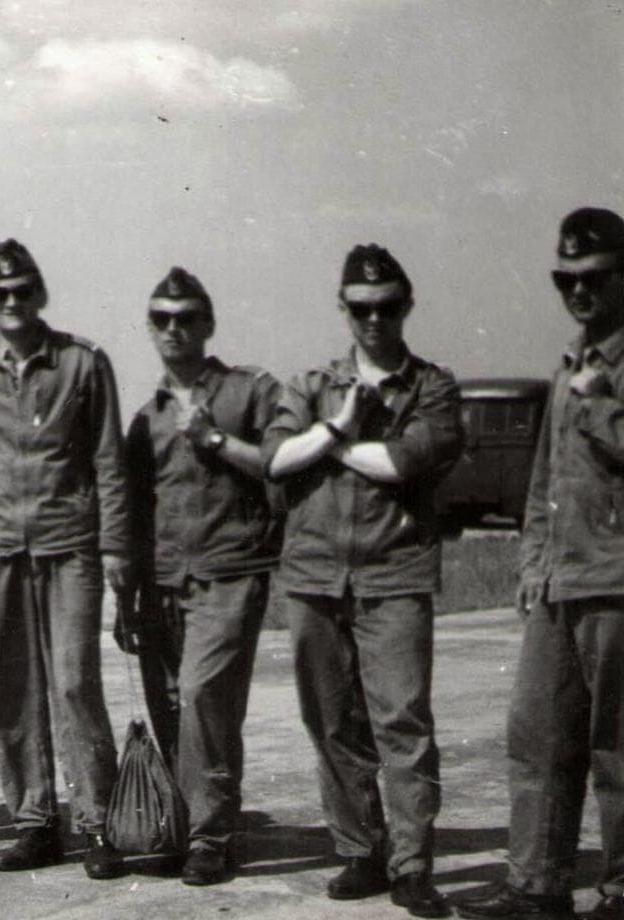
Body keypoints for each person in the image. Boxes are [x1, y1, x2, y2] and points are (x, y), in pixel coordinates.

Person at [263, 244, 463, 919]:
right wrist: (333, 427)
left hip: (394, 572)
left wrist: (335, 438)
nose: (372, 320)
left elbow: (404, 462)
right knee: (329, 721)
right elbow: (275, 458)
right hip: (315, 575)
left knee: (400, 719)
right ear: (343, 309)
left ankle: (411, 865)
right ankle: (359, 850)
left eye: (384, 307)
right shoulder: (309, 383)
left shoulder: (431, 387)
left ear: (404, 306)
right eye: (358, 309)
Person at [0, 238, 130, 878]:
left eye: (23, 291)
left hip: (68, 545)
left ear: (40, 293)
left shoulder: (81, 364)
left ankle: (99, 823)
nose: (13, 303)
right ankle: (34, 821)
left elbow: (109, 462)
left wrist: (116, 548)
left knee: (75, 682)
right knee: (11, 690)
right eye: (0, 294)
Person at [457, 208, 624, 920]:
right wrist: (530, 560)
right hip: (558, 583)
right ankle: (535, 885)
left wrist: (600, 410)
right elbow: (541, 478)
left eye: (591, 278)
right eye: (564, 279)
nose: (576, 292)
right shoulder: (569, 363)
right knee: (535, 739)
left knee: (616, 751)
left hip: (616, 583)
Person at [122, 267, 280, 886]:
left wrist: (213, 438)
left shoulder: (249, 391)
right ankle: (186, 827)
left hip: (229, 577)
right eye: (161, 318)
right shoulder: (147, 415)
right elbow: (136, 511)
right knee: (173, 707)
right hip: (161, 584)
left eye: (187, 317)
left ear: (208, 323)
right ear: (150, 328)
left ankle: (210, 838)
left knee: (201, 698)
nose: (174, 329)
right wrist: (126, 599)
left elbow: (282, 465)